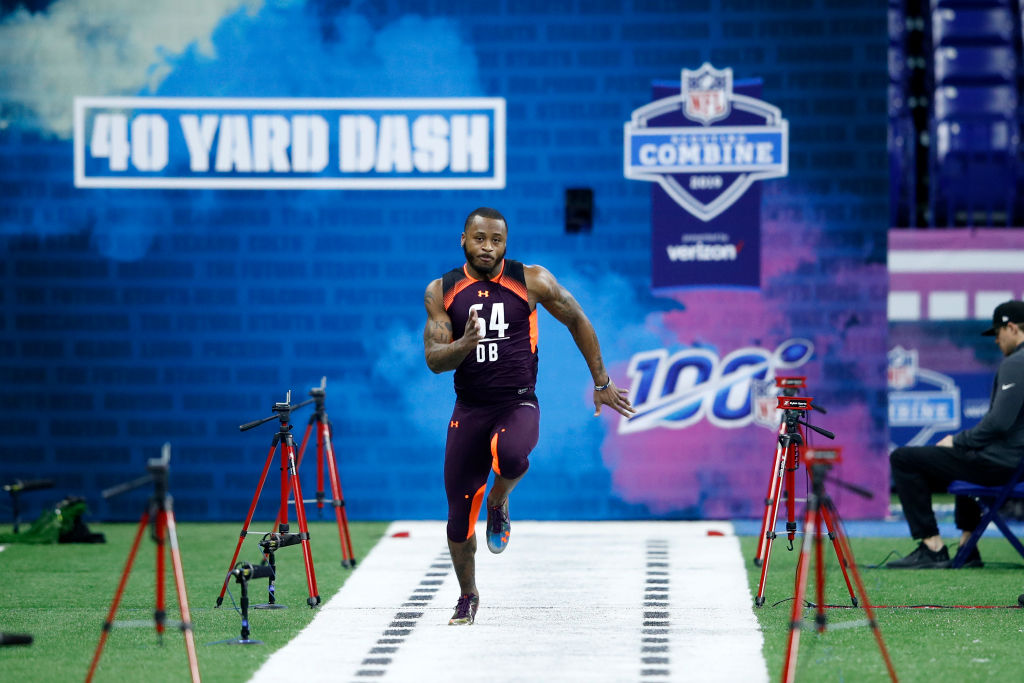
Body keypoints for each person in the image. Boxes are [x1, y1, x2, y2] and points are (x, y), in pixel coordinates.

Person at [422, 207, 636, 624]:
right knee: (458, 519)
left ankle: (499, 499)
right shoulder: (441, 290)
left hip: (517, 401)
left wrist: (601, 381)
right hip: (469, 409)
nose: (488, 247)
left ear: (506, 242)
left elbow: (576, 319)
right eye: (479, 239)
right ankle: (468, 596)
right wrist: (465, 343)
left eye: (496, 240)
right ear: (463, 240)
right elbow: (434, 359)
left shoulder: (531, 280)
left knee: (512, 454)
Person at [888, 300, 1024, 568]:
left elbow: (998, 423)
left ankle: (932, 546)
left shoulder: (1016, 363)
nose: (996, 340)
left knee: (903, 459)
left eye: (997, 333)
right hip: (1015, 464)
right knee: (967, 455)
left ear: (1011, 328)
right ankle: (967, 546)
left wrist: (957, 440)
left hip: (1005, 465)